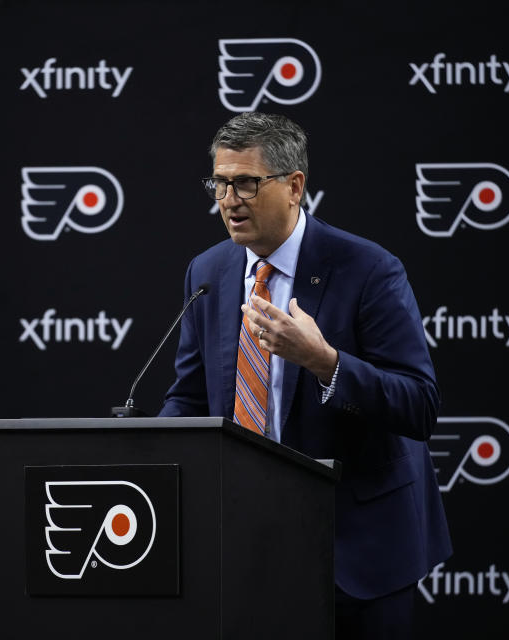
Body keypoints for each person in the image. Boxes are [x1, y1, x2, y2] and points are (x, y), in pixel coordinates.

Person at [159, 111, 451, 639]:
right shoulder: (208, 273)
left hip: (359, 548)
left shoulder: (368, 269)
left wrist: (325, 362)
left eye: (246, 182)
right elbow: (189, 396)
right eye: (220, 183)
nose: (228, 200)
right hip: (248, 544)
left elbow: (419, 404)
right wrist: (150, 458)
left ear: (294, 186)